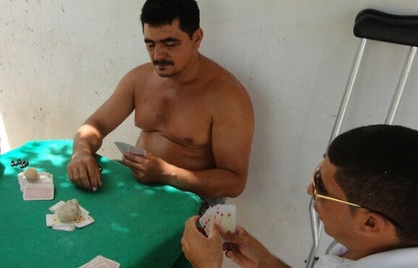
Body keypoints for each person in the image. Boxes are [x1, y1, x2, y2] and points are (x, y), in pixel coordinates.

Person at [66, 0, 254, 202]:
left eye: (170, 44)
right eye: (150, 44)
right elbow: (96, 124)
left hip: (191, 200)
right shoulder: (138, 79)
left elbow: (235, 182)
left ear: (197, 38)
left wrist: (167, 173)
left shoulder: (227, 97)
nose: (158, 55)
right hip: (136, 185)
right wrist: (81, 152)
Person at [181, 124, 418, 267]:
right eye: (318, 173)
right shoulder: (371, 246)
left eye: (322, 188)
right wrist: (267, 264)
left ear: (370, 223)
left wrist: (207, 265)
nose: (309, 190)